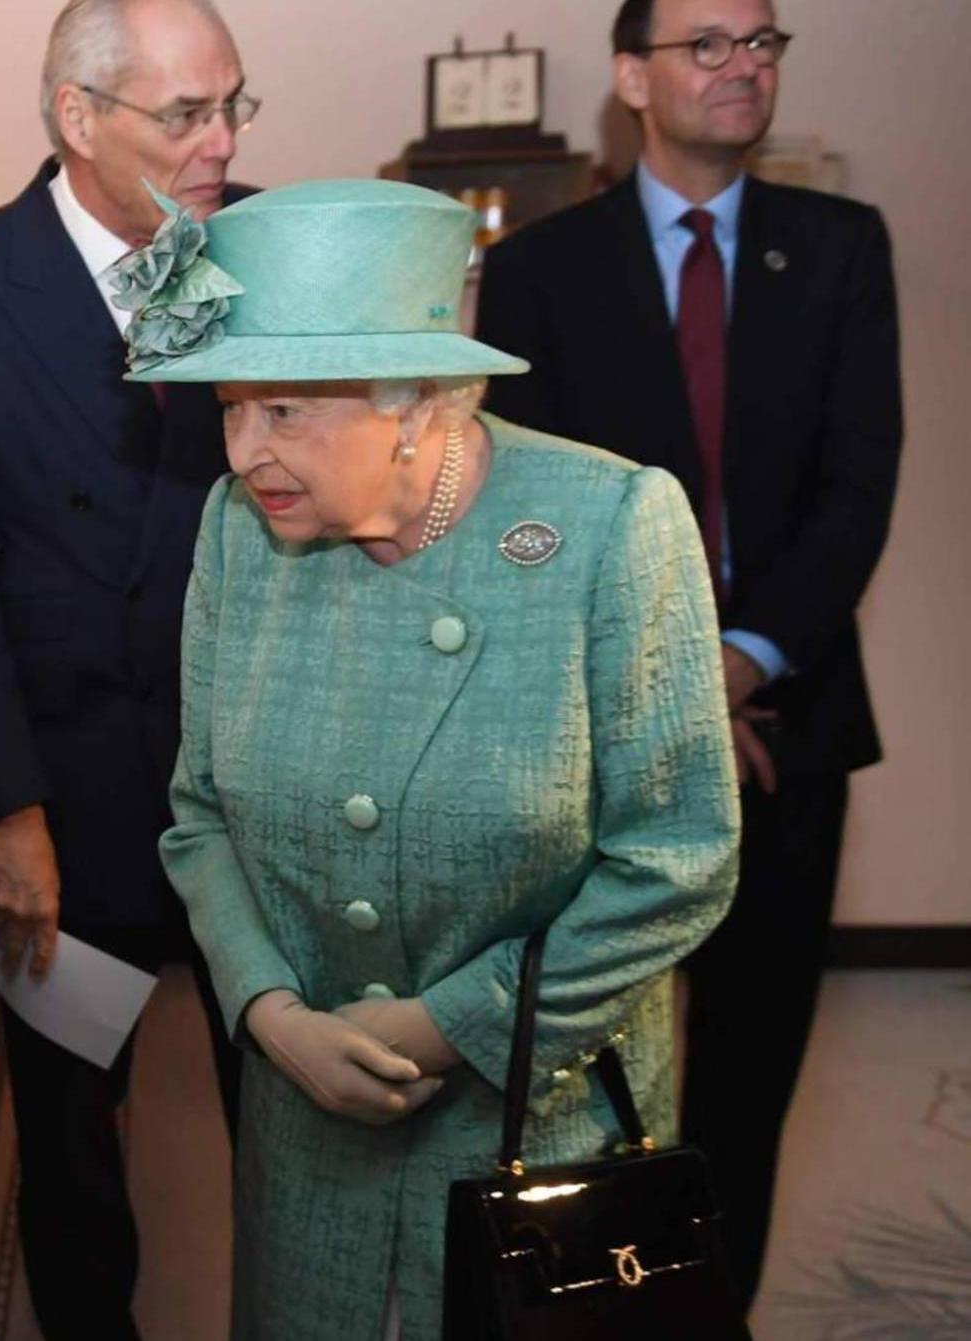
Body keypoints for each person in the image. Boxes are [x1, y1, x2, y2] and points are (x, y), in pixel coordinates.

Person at [132, 179, 740, 1338]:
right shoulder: (236, 532)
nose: (246, 451)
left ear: (417, 404)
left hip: (539, 1123)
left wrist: (460, 1020)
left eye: (285, 412)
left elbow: (678, 855)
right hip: (305, 1116)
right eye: (228, 409)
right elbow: (199, 812)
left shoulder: (610, 524)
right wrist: (266, 1013)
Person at [475, 0, 901, 1302]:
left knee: (750, 1072)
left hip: (789, 727)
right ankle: (607, 1316)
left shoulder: (838, 248)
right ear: (631, 76)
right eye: (706, 43)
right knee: (594, 1080)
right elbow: (526, 520)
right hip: (595, 743)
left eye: (762, 42)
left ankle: (716, 1319)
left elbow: (856, 487)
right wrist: (670, 687)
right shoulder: (545, 265)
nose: (741, 67)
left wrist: (743, 662)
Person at [0, 2, 250, 1335]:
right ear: (79, 119)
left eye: (231, 108)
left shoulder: (241, 253)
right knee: (77, 1146)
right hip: (68, 790)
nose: (219, 145)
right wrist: (11, 807)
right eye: (184, 115)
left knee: (291, 1119)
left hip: (251, 781)